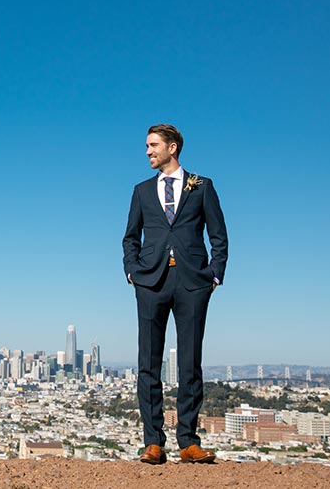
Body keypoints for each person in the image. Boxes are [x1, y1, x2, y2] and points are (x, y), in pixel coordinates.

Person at [122, 124, 228, 465]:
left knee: (189, 363)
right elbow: (130, 237)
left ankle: (189, 441)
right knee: (148, 364)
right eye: (147, 146)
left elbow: (219, 236)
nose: (148, 151)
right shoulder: (141, 191)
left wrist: (215, 275)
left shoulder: (202, 186)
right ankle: (153, 442)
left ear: (173, 148)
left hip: (192, 282)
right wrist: (132, 271)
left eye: (153, 145)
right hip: (150, 282)